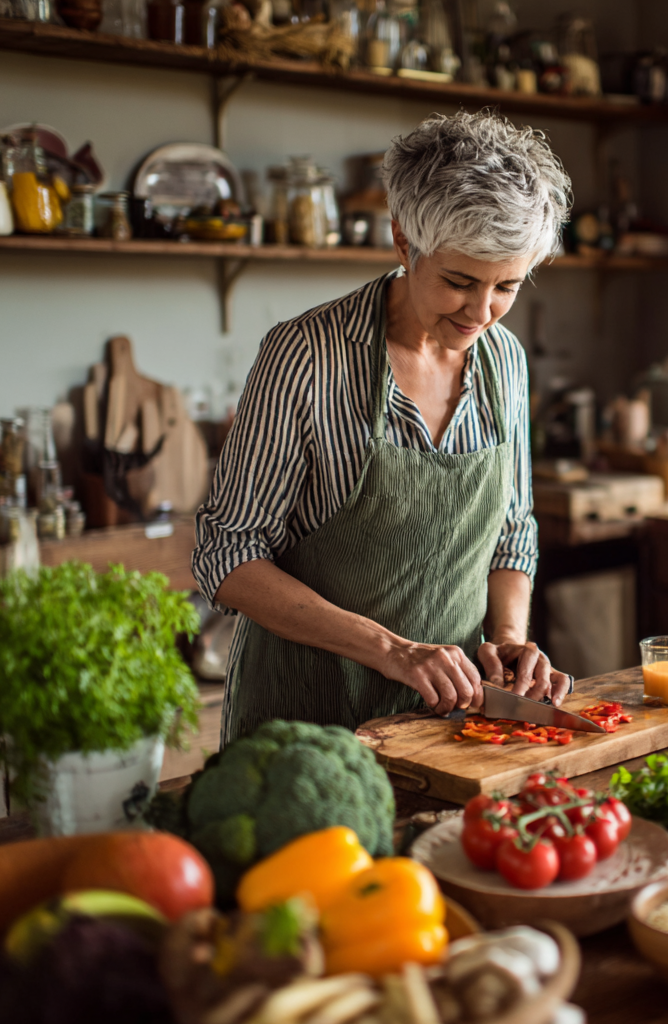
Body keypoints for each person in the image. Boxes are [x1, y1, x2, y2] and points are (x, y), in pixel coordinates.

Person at [192, 111, 574, 744]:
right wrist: (394, 651)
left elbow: (511, 532)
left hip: (449, 724)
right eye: (459, 281)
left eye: (507, 285)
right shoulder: (307, 356)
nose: (481, 312)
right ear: (404, 243)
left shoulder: (505, 361)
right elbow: (227, 555)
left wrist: (508, 642)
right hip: (305, 721)